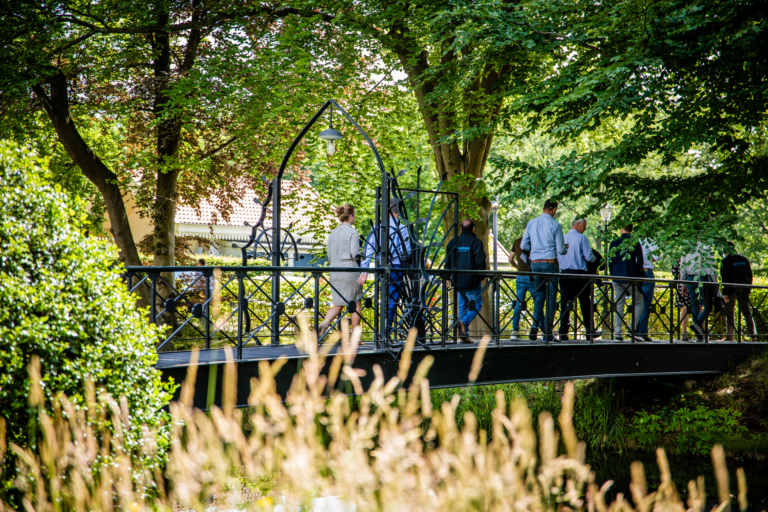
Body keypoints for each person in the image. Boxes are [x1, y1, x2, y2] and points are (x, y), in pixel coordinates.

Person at [359, 198, 411, 335]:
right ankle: (387, 329)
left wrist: (364, 270)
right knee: (393, 298)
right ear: (398, 211)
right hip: (396, 266)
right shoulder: (402, 227)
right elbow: (408, 251)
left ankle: (379, 330)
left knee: (380, 295)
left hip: (380, 267)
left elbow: (369, 249)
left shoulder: (377, 226)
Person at [521, 199, 566, 342]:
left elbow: (524, 245)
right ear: (553, 210)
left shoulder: (531, 223)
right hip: (550, 264)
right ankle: (547, 333)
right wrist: (565, 249)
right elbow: (560, 250)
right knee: (551, 298)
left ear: (543, 208)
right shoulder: (556, 225)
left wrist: (535, 249)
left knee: (539, 295)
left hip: (535, 264)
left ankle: (535, 324)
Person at [318, 204, 364, 339]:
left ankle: (325, 323)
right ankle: (355, 337)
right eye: (354, 215)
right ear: (350, 216)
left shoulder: (333, 233)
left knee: (338, 304)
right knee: (356, 303)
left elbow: (330, 256)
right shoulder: (352, 232)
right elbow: (355, 254)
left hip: (335, 271)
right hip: (350, 271)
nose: (354, 218)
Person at [445, 219, 487, 343]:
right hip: (472, 280)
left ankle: (464, 336)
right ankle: (462, 322)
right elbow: (480, 262)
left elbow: (447, 262)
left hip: (457, 281)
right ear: (473, 229)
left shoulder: (453, 242)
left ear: (461, 229)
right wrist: (480, 277)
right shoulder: (476, 242)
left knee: (462, 307)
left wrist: (447, 277)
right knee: (477, 304)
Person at [558, 219, 598, 341]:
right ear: (577, 225)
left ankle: (563, 332)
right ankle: (589, 331)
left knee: (565, 303)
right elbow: (588, 256)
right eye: (584, 226)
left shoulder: (562, 237)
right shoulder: (582, 238)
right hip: (579, 275)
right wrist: (595, 258)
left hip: (564, 274)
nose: (585, 228)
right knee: (585, 302)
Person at [608, 224, 644, 341]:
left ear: (621, 229)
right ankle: (631, 329)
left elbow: (610, 260)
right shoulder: (634, 242)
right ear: (631, 230)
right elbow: (640, 261)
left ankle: (618, 333)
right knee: (639, 302)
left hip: (616, 277)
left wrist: (612, 273)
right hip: (630, 277)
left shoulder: (614, 241)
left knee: (619, 304)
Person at [721, 241, 757, 341]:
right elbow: (750, 275)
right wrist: (748, 288)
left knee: (730, 313)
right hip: (744, 290)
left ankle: (730, 336)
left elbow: (725, 278)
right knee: (747, 312)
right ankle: (753, 335)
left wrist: (725, 293)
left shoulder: (725, 261)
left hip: (731, 290)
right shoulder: (744, 259)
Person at [681, 243, 717, 341]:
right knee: (708, 306)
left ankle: (698, 336)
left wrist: (683, 283)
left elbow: (683, 267)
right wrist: (715, 282)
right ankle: (697, 325)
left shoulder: (687, 248)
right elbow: (712, 267)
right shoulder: (707, 247)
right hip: (704, 278)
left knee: (695, 306)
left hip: (690, 278)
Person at [508, 228, 538, 340]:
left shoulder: (517, 241)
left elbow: (510, 258)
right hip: (532, 276)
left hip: (520, 276)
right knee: (538, 302)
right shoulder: (535, 242)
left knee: (518, 304)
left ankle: (514, 331)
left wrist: (518, 267)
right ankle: (539, 329)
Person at [637, 238, 661, 341]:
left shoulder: (634, 239)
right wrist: (649, 259)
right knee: (646, 304)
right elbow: (658, 256)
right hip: (647, 273)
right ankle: (642, 332)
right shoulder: (650, 240)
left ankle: (635, 330)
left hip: (636, 274)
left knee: (637, 303)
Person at [671, 258, 692, 341]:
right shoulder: (694, 254)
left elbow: (674, 272)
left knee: (684, 307)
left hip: (681, 283)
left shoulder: (678, 256)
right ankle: (701, 332)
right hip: (693, 281)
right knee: (697, 306)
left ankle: (684, 331)